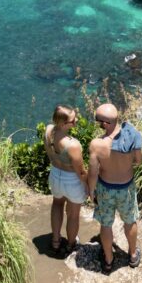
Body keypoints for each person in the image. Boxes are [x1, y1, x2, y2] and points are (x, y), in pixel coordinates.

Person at [87, 102, 142, 274]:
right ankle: (133, 255)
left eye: (98, 121)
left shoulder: (97, 145)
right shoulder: (132, 137)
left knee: (106, 224)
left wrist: (91, 192)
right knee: (130, 220)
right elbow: (139, 161)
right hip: (126, 188)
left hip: (105, 190)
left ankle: (109, 260)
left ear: (105, 123)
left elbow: (93, 173)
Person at [44, 104, 88, 255]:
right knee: (74, 214)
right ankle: (71, 244)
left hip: (55, 174)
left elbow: (50, 154)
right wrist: (89, 186)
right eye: (73, 120)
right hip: (71, 180)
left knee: (57, 203)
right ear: (63, 124)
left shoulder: (48, 130)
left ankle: (55, 241)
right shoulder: (73, 145)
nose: (76, 122)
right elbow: (81, 172)